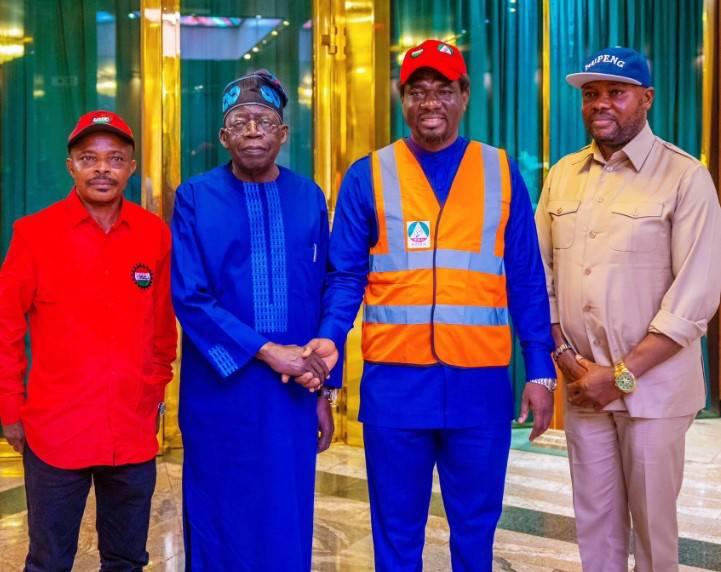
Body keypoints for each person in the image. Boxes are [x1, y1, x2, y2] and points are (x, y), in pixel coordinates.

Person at [307, 40, 556, 571]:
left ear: (464, 96)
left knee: (476, 526)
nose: (430, 103)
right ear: (403, 99)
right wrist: (327, 359)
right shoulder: (367, 175)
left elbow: (528, 280)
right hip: (396, 387)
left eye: (444, 90)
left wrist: (540, 369)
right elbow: (345, 277)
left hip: (480, 385)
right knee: (395, 530)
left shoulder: (501, 172)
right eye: (418, 92)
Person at [536, 47, 721, 572]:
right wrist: (568, 358)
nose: (601, 104)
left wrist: (618, 376)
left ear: (647, 98)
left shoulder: (685, 178)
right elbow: (539, 276)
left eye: (615, 92)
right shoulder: (564, 176)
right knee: (593, 523)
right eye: (591, 94)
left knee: (653, 530)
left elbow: (695, 297)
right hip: (582, 382)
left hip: (653, 390)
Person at [171, 69, 339, 571]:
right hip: (220, 391)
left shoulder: (309, 196)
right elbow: (190, 297)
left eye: (263, 120)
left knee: (285, 516)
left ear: (283, 133)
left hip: (291, 395)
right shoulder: (195, 197)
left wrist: (323, 391)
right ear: (224, 136)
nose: (251, 131)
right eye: (239, 121)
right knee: (218, 514)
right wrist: (268, 351)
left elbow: (325, 288)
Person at [0, 110, 177, 571]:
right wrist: (10, 409)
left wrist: (152, 394)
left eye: (115, 158)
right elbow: (6, 328)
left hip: (130, 432)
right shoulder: (34, 234)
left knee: (126, 560)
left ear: (131, 168)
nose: (103, 168)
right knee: (49, 561)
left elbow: (162, 331)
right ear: (71, 166)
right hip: (56, 431)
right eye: (89, 158)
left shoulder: (154, 234)